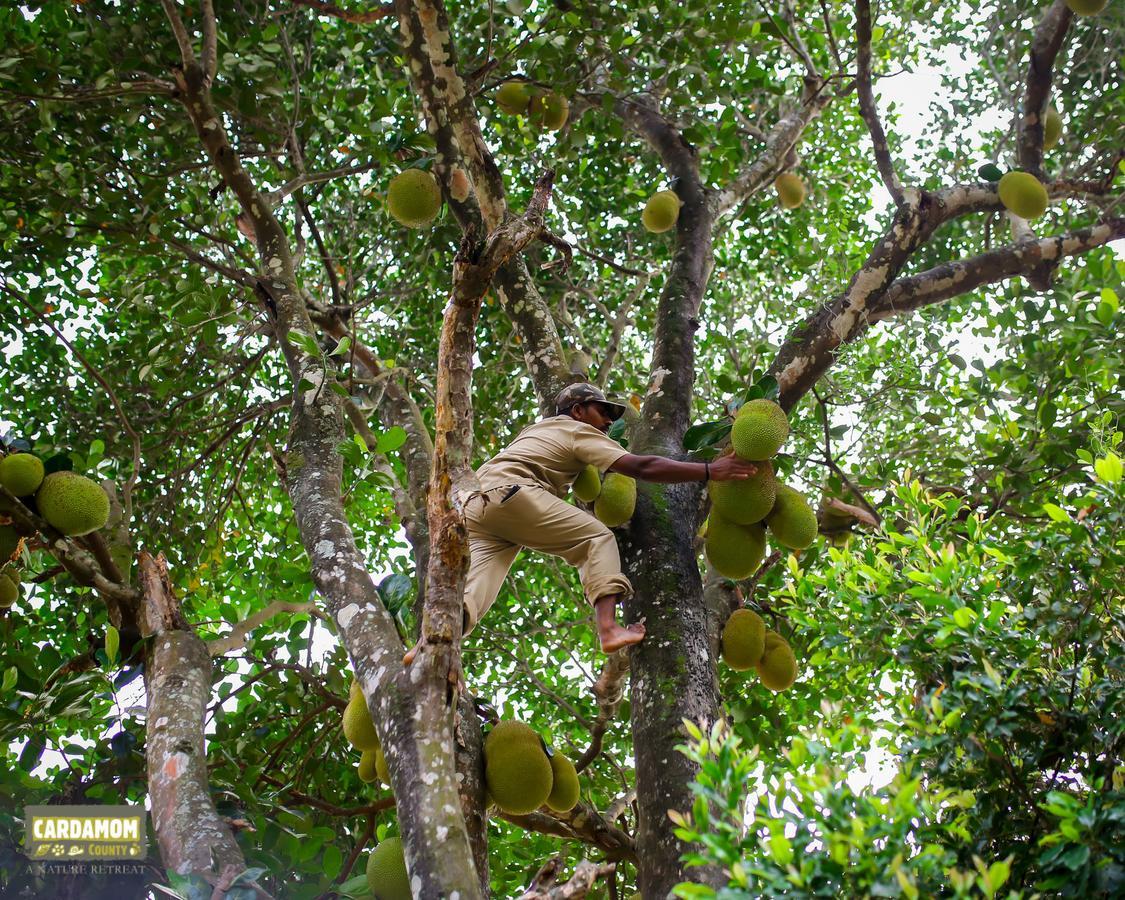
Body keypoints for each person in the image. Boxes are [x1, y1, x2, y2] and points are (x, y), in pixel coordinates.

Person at [404, 383, 759, 664]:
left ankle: (429, 645)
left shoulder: (534, 432)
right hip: (512, 493)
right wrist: (711, 469)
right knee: (596, 539)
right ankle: (608, 629)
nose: (608, 422)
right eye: (602, 412)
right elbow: (640, 468)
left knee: (474, 595)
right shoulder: (576, 430)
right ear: (577, 411)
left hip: (475, 507)